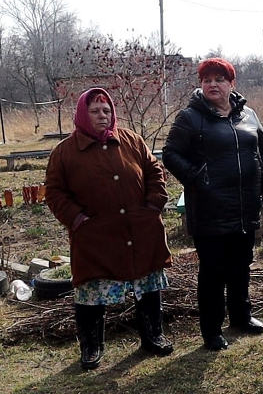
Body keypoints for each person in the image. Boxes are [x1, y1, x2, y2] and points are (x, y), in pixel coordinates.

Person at [46, 88, 173, 369]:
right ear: (82, 114)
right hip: (95, 236)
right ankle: (92, 346)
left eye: (106, 111)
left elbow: (155, 171)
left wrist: (154, 205)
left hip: (140, 229)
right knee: (92, 291)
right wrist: (77, 220)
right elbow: (54, 193)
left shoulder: (131, 140)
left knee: (148, 285)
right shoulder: (65, 152)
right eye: (94, 111)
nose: (102, 116)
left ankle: (153, 336)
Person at [163, 58, 263, 351]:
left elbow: (262, 150)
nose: (212, 84)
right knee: (213, 271)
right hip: (210, 208)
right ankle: (211, 330)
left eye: (219, 79)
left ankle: (242, 317)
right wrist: (196, 177)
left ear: (232, 84)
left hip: (245, 206)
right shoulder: (191, 117)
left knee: (241, 265)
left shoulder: (248, 115)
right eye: (207, 80)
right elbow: (171, 154)